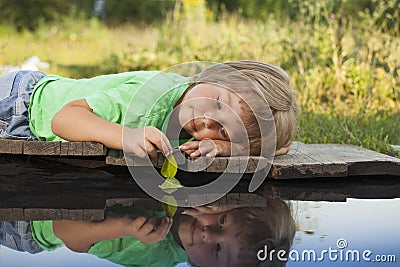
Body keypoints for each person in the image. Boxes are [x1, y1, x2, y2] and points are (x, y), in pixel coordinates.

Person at [0, 61, 297, 158]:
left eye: (222, 128)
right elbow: (64, 120)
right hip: (21, 105)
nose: (207, 119)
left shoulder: (194, 127)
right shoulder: (150, 96)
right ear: (215, 75)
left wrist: (229, 148)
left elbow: (274, 149)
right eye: (219, 103)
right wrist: (126, 136)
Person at [0, 199, 296, 267]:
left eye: (218, 251)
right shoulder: (195, 182)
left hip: (23, 225)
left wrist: (125, 227)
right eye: (222, 221)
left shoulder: (155, 252)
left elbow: (62, 229)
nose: (207, 234)